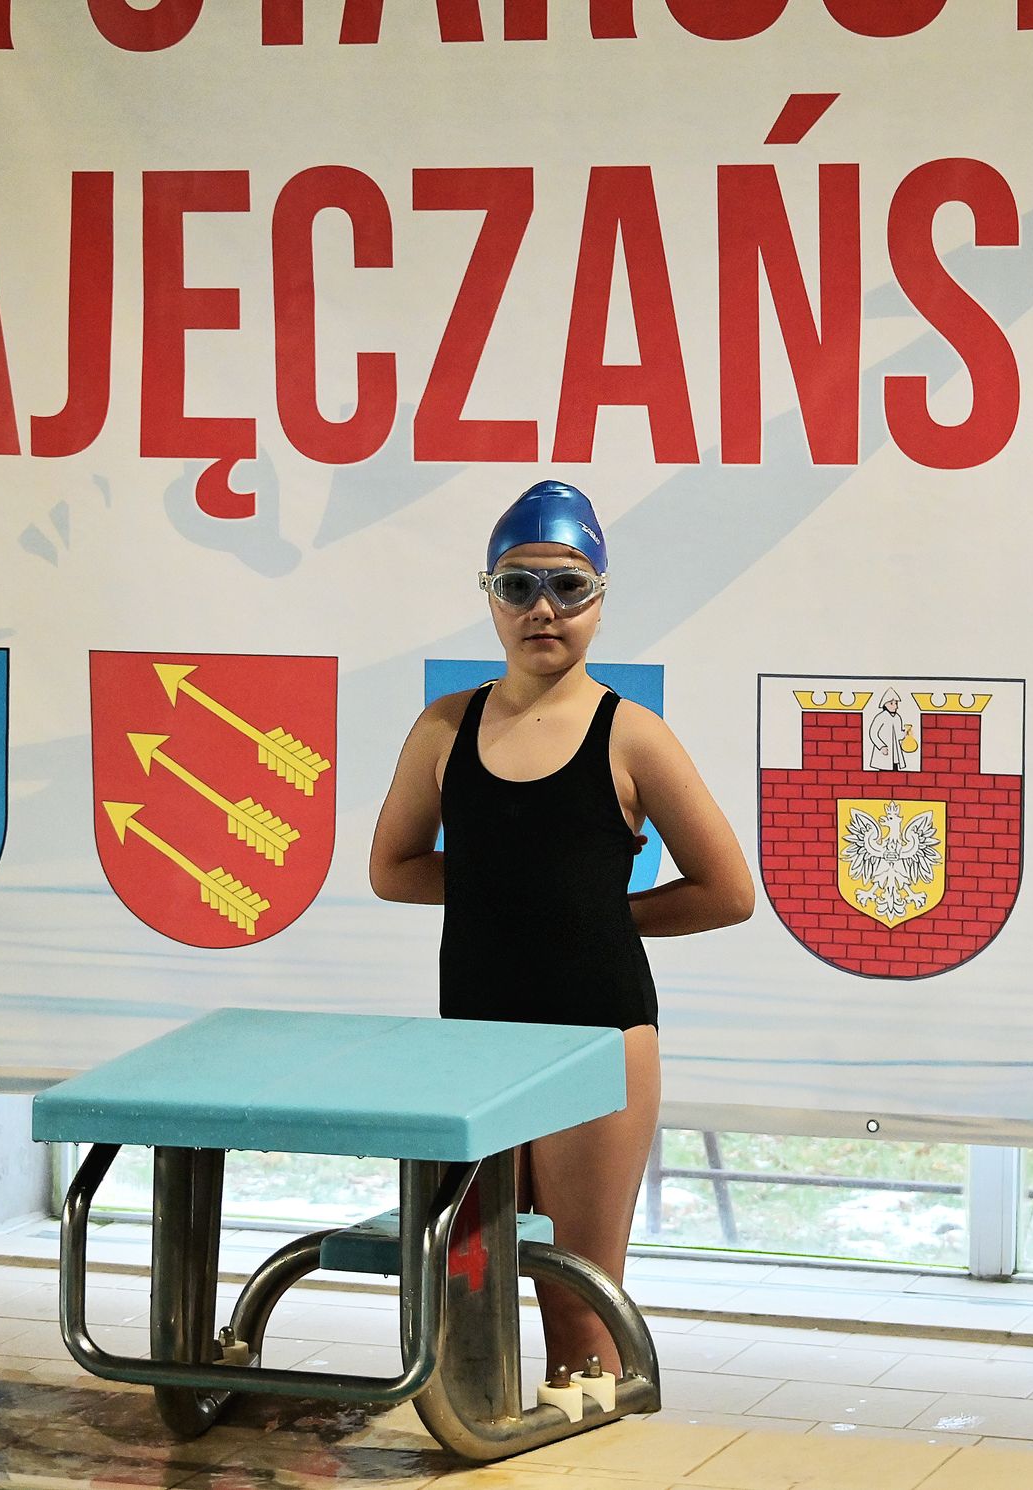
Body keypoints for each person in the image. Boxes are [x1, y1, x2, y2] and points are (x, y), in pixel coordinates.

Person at [369, 478, 754, 1380]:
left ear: (600, 599)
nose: (543, 609)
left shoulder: (632, 735)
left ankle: (592, 1443)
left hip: (597, 1036)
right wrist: (518, 895)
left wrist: (595, 913)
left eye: (568, 587)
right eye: (518, 586)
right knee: (467, 1284)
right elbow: (393, 869)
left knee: (577, 1302)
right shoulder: (444, 728)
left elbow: (728, 892)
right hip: (477, 1039)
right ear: (490, 598)